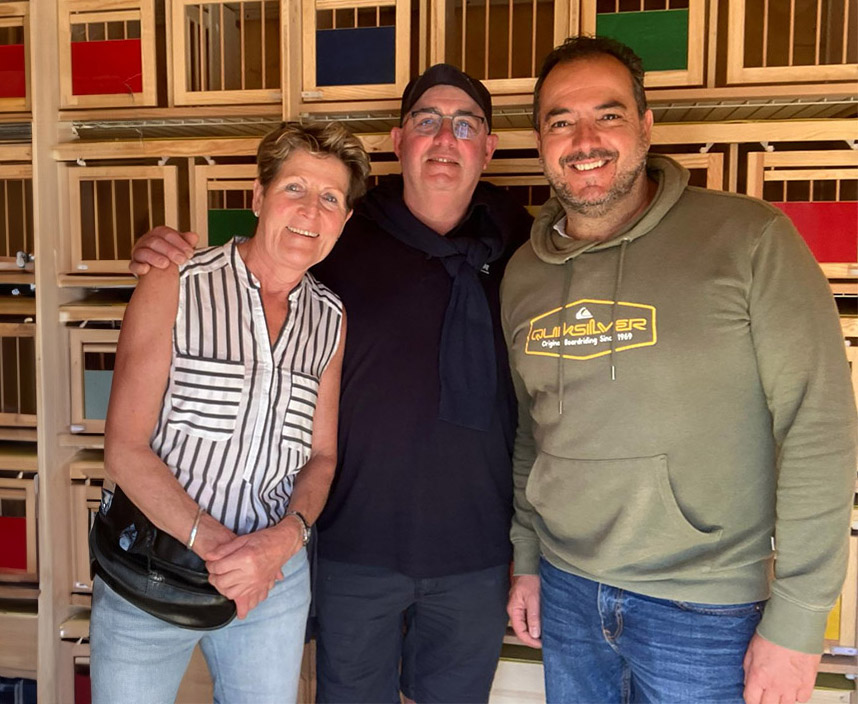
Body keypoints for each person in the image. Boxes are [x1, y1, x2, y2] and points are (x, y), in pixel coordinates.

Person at [129, 64, 534, 704]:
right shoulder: (342, 230)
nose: (444, 138)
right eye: (427, 121)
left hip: (477, 547)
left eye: (465, 125)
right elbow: (262, 260)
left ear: (489, 147)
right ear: (398, 140)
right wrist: (164, 252)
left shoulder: (526, 245)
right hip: (353, 542)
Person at [502, 35, 857, 704]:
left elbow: (819, 426)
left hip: (707, 609)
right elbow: (531, 433)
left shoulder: (750, 239)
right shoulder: (523, 274)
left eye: (608, 114)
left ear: (645, 125)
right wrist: (527, 560)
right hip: (567, 590)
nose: (585, 140)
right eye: (561, 121)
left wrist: (801, 616)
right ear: (540, 141)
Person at [90, 121, 370, 704]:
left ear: (344, 220)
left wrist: (279, 544)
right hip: (151, 568)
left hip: (273, 581)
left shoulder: (331, 318)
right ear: (258, 196)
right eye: (294, 188)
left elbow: (321, 456)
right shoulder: (175, 281)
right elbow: (124, 448)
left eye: (330, 198)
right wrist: (220, 549)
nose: (310, 211)